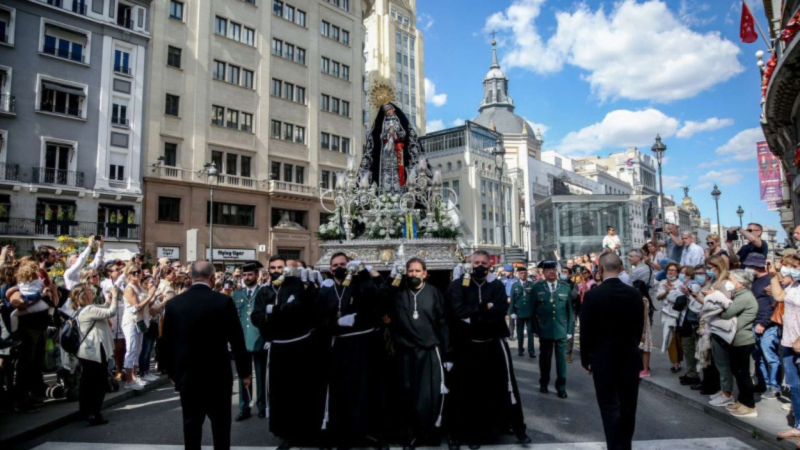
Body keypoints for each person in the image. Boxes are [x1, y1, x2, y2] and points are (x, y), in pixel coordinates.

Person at [161, 261, 251, 450]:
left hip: (188, 376)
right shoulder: (223, 301)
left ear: (191, 277)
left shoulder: (174, 304)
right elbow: (237, 340)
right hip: (217, 375)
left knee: (191, 426)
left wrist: (171, 372)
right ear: (212, 278)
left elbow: (166, 342)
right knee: (221, 428)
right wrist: (244, 372)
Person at [445, 250, 530, 448]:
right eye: (476, 262)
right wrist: (483, 308)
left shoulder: (497, 285)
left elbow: (500, 311)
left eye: (484, 262)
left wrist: (474, 315)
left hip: (492, 342)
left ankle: (517, 428)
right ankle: (466, 433)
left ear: (490, 265)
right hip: (467, 344)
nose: (480, 266)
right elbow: (457, 311)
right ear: (469, 262)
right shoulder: (458, 285)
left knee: (506, 385)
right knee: (465, 389)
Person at [316, 253, 384, 448]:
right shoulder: (326, 290)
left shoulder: (360, 285)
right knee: (342, 392)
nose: (339, 267)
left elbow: (375, 297)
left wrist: (363, 273)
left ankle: (367, 433)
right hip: (339, 346)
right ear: (330, 269)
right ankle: (343, 434)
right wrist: (336, 322)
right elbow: (318, 319)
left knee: (365, 391)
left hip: (363, 345)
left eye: (343, 264)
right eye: (335, 265)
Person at [251, 257, 321, 449]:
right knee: (280, 393)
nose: (276, 271)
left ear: (287, 269)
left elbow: (303, 311)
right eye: (272, 267)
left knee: (301, 391)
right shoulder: (264, 291)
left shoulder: (298, 286)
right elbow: (256, 316)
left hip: (299, 347)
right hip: (278, 347)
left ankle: (305, 431)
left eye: (280, 268)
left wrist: (275, 312)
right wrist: (280, 311)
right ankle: (285, 433)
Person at [381, 257, 450, 448]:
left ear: (425, 273)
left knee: (427, 396)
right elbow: (382, 298)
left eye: (417, 271)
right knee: (407, 394)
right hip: (406, 352)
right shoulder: (399, 294)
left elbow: (443, 323)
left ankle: (428, 434)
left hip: (429, 352)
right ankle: (409, 436)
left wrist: (447, 353)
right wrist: (392, 278)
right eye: (410, 271)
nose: (413, 274)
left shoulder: (434, 293)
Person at [580, 252, 644, 450]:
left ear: (599, 269)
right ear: (621, 267)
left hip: (603, 359)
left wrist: (586, 359)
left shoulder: (593, 295)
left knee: (609, 408)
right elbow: (638, 328)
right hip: (629, 358)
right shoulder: (634, 294)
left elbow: (586, 331)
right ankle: (625, 446)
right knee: (628, 407)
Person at [74, 282, 118, 426]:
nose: (92, 291)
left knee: (87, 384)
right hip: (95, 352)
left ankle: (85, 412)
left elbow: (104, 308)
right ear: (83, 295)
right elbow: (110, 312)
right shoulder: (89, 309)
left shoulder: (85, 309)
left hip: (89, 352)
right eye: (88, 290)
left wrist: (109, 299)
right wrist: (116, 296)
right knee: (98, 385)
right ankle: (94, 414)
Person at [768, 255, 800, 441]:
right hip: (789, 342)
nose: (787, 269)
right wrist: (773, 276)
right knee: (795, 387)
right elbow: (779, 296)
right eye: (786, 266)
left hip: (797, 342)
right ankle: (798, 426)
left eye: (792, 266)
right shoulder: (794, 285)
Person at [231, 261, 268, 422]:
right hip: (242, 340)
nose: (247, 277)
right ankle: (244, 407)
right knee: (243, 376)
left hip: (260, 338)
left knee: (260, 375)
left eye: (250, 274)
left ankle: (262, 406)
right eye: (244, 275)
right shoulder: (237, 294)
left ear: (257, 275)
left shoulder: (264, 292)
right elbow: (233, 318)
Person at [531, 260, 574, 398]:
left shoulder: (565, 287)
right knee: (545, 359)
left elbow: (570, 312)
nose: (551, 272)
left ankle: (561, 386)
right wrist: (535, 329)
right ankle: (544, 382)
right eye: (548, 270)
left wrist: (569, 331)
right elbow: (533, 310)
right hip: (545, 329)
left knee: (561, 360)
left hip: (561, 329)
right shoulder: (537, 288)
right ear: (543, 272)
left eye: (554, 269)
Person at [719, 270, 759, 417]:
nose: (729, 282)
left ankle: (749, 405)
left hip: (743, 340)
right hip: (736, 340)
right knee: (738, 372)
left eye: (731, 279)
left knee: (743, 374)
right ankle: (742, 401)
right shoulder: (740, 295)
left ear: (740, 283)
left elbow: (726, 314)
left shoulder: (745, 297)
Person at [744, 253, 782, 399]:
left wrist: (763, 323)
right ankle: (763, 384)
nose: (748, 268)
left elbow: (774, 305)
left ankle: (774, 387)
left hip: (766, 326)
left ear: (757, 266)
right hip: (755, 324)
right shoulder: (755, 280)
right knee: (758, 358)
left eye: (750, 265)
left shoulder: (769, 281)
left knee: (771, 358)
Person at [122, 265, 149, 390]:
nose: (137, 274)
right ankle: (128, 381)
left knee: (138, 349)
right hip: (131, 321)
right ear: (128, 274)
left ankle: (134, 376)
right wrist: (150, 295)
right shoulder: (129, 288)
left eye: (139, 271)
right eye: (134, 272)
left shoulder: (140, 286)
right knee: (131, 349)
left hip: (140, 321)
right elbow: (136, 307)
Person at [656, 262, 683, 373]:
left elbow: (679, 299)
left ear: (677, 272)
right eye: (669, 270)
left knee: (677, 339)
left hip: (678, 315)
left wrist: (671, 291)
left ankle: (678, 361)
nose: (671, 272)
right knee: (671, 338)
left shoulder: (681, 283)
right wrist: (666, 291)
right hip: (667, 314)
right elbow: (658, 297)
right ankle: (675, 363)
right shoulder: (662, 282)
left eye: (673, 270)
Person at [508, 266, 535, 358]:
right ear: (518, 274)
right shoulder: (515, 285)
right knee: (519, 332)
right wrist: (512, 312)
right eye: (521, 273)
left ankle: (531, 351)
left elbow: (534, 299)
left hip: (529, 312)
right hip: (519, 312)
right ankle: (520, 349)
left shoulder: (531, 284)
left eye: (525, 273)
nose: (523, 275)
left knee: (530, 332)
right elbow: (512, 300)